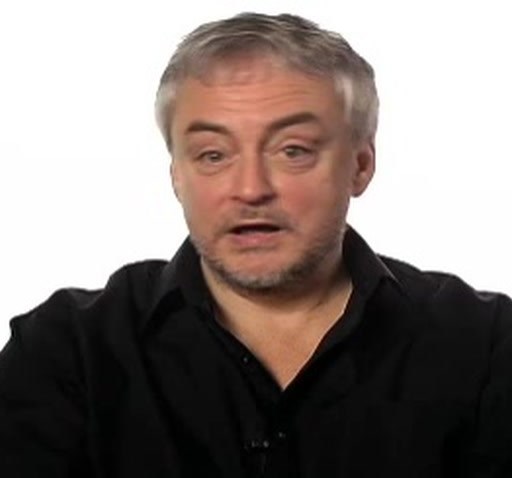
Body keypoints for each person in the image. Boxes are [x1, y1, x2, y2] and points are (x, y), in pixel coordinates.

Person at [1, 12, 511, 478]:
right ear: (176, 174)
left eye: (293, 151)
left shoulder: (485, 345)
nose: (250, 189)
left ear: (360, 165)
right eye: (213, 154)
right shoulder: (68, 349)